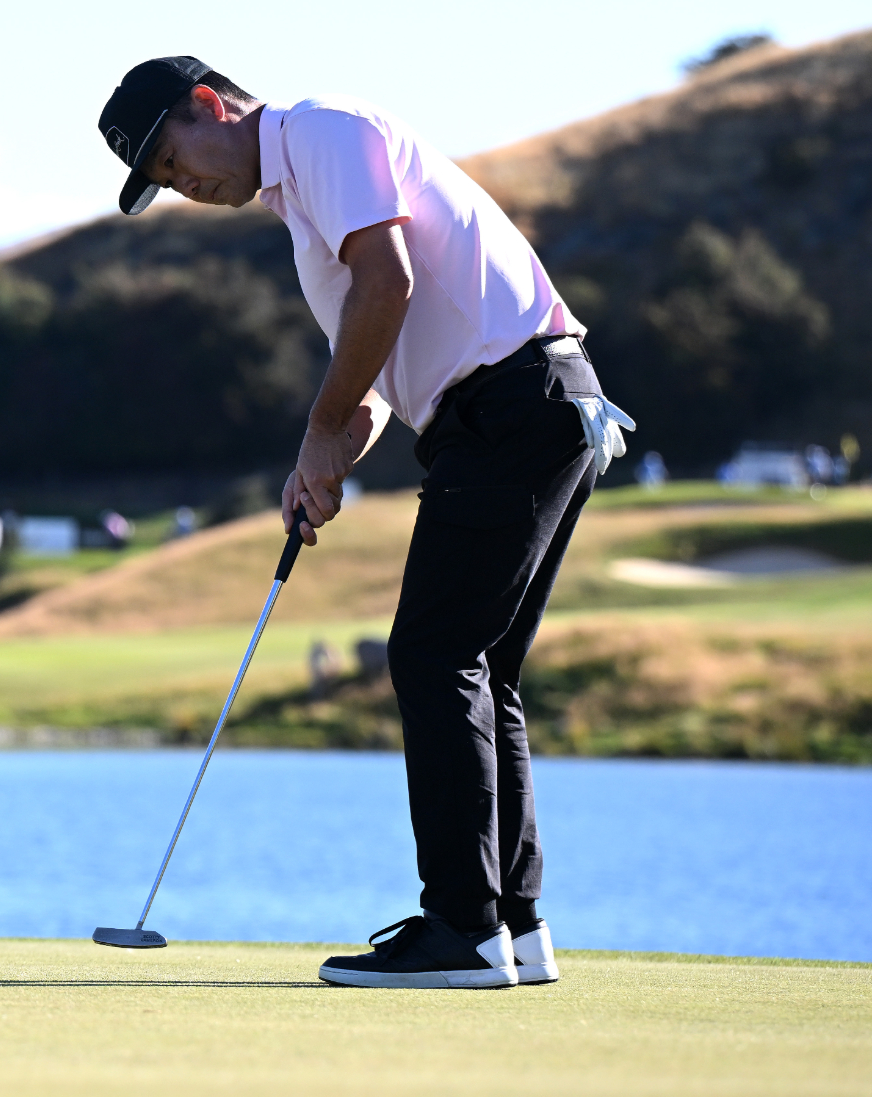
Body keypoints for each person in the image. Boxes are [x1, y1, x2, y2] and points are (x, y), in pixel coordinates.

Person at [97, 55, 634, 989]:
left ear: (210, 104)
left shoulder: (322, 131)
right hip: (520, 408)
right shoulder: (304, 215)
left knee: (432, 656)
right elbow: (380, 369)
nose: (181, 186)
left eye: (172, 159)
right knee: (479, 666)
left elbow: (388, 289)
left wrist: (315, 430)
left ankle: (462, 931)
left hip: (517, 403)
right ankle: (511, 923)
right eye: (163, 183)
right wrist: (333, 454)